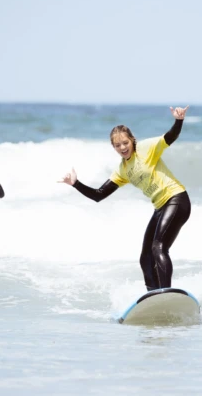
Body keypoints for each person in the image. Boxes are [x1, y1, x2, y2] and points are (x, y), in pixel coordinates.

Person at [59, 106, 191, 291]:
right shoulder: (122, 170)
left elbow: (170, 137)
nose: (122, 148)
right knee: (145, 258)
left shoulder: (146, 148)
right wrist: (75, 183)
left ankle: (166, 294)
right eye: (117, 145)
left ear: (132, 140)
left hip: (176, 199)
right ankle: (153, 296)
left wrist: (178, 120)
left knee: (158, 247)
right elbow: (99, 195)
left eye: (125, 143)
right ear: (114, 147)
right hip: (160, 207)